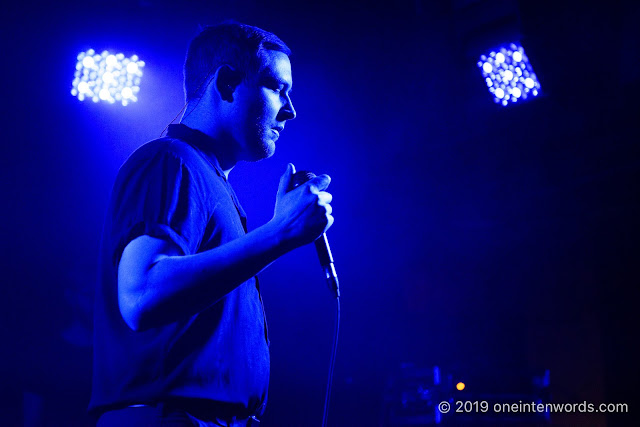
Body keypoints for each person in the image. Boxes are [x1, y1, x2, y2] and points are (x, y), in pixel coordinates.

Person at [89, 22, 334, 426]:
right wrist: (281, 232)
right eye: (277, 88)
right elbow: (142, 294)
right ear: (226, 84)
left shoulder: (210, 181)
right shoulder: (170, 160)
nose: (290, 110)